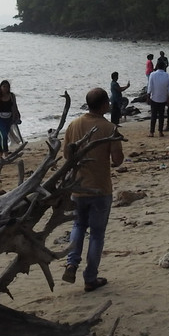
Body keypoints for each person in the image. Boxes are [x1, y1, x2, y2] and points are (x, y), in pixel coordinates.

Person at [61, 87, 124, 292]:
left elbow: (66, 156)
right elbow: (117, 160)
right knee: (97, 234)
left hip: (78, 186)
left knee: (78, 226)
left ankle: (71, 262)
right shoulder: (110, 128)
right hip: (100, 188)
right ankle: (90, 278)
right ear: (105, 104)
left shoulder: (74, 125)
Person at [0, 80, 23, 156]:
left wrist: (17, 115)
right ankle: (6, 152)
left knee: (2, 136)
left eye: (7, 87)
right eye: (4, 86)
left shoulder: (11, 96)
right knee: (4, 135)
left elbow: (14, 106)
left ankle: (0, 154)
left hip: (9, 118)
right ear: (0, 87)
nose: (5, 88)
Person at [146, 59, 169, 137]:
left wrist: (148, 96)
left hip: (154, 97)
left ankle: (151, 132)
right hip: (163, 98)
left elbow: (150, 86)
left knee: (153, 116)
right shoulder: (167, 75)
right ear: (164, 67)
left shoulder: (152, 74)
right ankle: (160, 132)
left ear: (157, 66)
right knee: (161, 116)